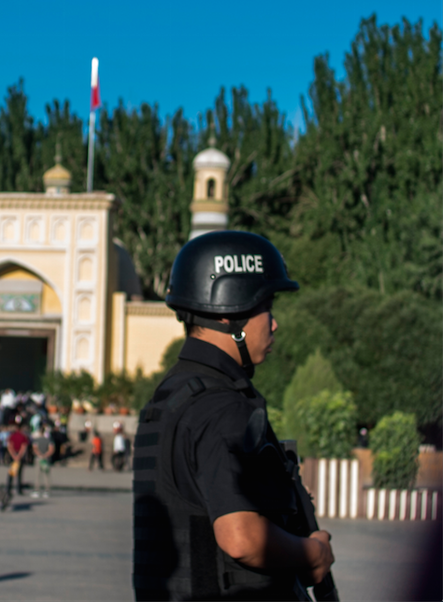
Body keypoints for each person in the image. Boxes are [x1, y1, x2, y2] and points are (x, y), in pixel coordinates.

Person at [132, 231, 335, 601]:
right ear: (230, 312)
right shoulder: (221, 405)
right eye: (267, 306)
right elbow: (239, 537)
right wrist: (313, 554)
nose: (273, 324)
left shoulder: (171, 395)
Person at [6, 424, 30, 496]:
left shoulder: (12, 436)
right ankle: (19, 489)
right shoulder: (23, 436)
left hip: (13, 456)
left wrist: (13, 455)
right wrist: (19, 455)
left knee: (11, 472)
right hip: (20, 456)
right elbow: (24, 446)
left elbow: (10, 446)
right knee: (19, 473)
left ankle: (8, 488)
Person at [32, 426, 54, 498]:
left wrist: (40, 455)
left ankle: (37, 490)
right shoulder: (49, 440)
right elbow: (51, 449)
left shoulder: (36, 440)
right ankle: (47, 491)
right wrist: (45, 455)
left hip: (38, 459)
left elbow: (35, 449)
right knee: (46, 475)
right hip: (46, 459)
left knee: (37, 475)